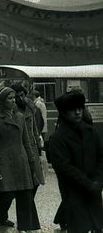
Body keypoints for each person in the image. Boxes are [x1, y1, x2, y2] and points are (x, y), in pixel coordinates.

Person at [49, 91, 103, 233]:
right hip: (73, 192)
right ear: (64, 112)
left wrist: (98, 181)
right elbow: (64, 168)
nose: (78, 112)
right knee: (79, 227)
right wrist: (89, 184)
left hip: (94, 190)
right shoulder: (57, 138)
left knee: (97, 226)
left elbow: (101, 158)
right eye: (73, 109)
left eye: (80, 108)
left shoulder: (91, 132)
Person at [0, 87, 40, 231]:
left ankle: (26, 225)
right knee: (5, 194)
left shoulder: (20, 117)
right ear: (2, 101)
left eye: (13, 98)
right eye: (9, 98)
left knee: (25, 194)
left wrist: (31, 160)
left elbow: (26, 141)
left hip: (21, 159)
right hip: (4, 161)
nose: (13, 101)